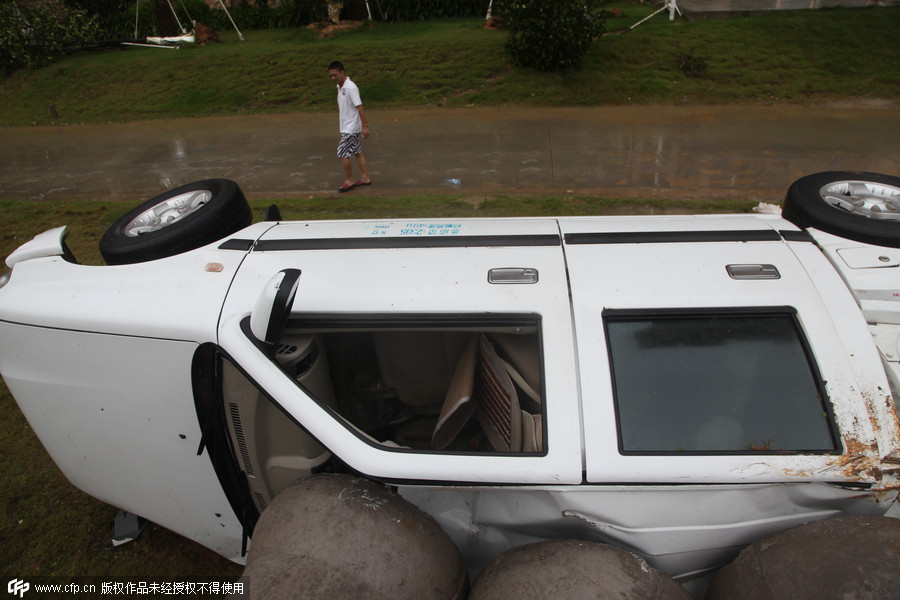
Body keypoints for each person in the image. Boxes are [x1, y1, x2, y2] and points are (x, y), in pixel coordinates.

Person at [328, 61, 371, 192]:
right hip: (347, 126)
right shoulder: (340, 87)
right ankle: (365, 178)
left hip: (351, 128)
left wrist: (364, 126)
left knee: (342, 152)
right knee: (357, 152)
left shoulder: (351, 87)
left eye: (335, 75)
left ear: (342, 72)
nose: (333, 78)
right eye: (331, 76)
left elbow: (360, 107)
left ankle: (350, 179)